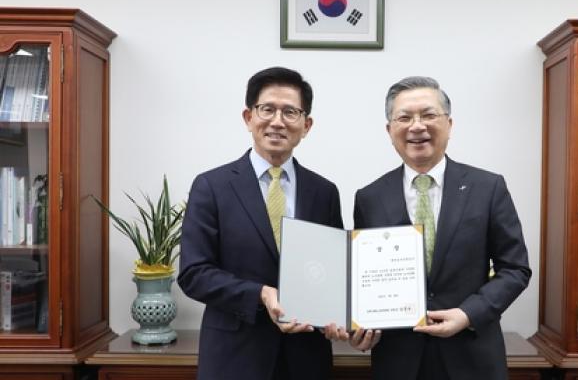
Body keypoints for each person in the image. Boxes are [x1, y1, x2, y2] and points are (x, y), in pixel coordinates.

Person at [350, 76, 531, 379]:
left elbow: (515, 269)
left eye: (428, 115)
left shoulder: (488, 187)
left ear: (449, 124)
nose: (417, 126)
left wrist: (468, 314)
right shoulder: (369, 197)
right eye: (404, 117)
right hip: (398, 360)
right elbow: (364, 278)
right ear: (389, 130)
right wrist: (359, 326)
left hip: (471, 356)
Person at [178, 67, 343, 380]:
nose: (277, 121)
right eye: (267, 109)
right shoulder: (212, 186)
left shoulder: (324, 192)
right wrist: (261, 294)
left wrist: (340, 315)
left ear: (306, 125)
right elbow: (193, 273)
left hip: (306, 357)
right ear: (248, 117)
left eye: (290, 112)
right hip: (234, 358)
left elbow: (331, 271)